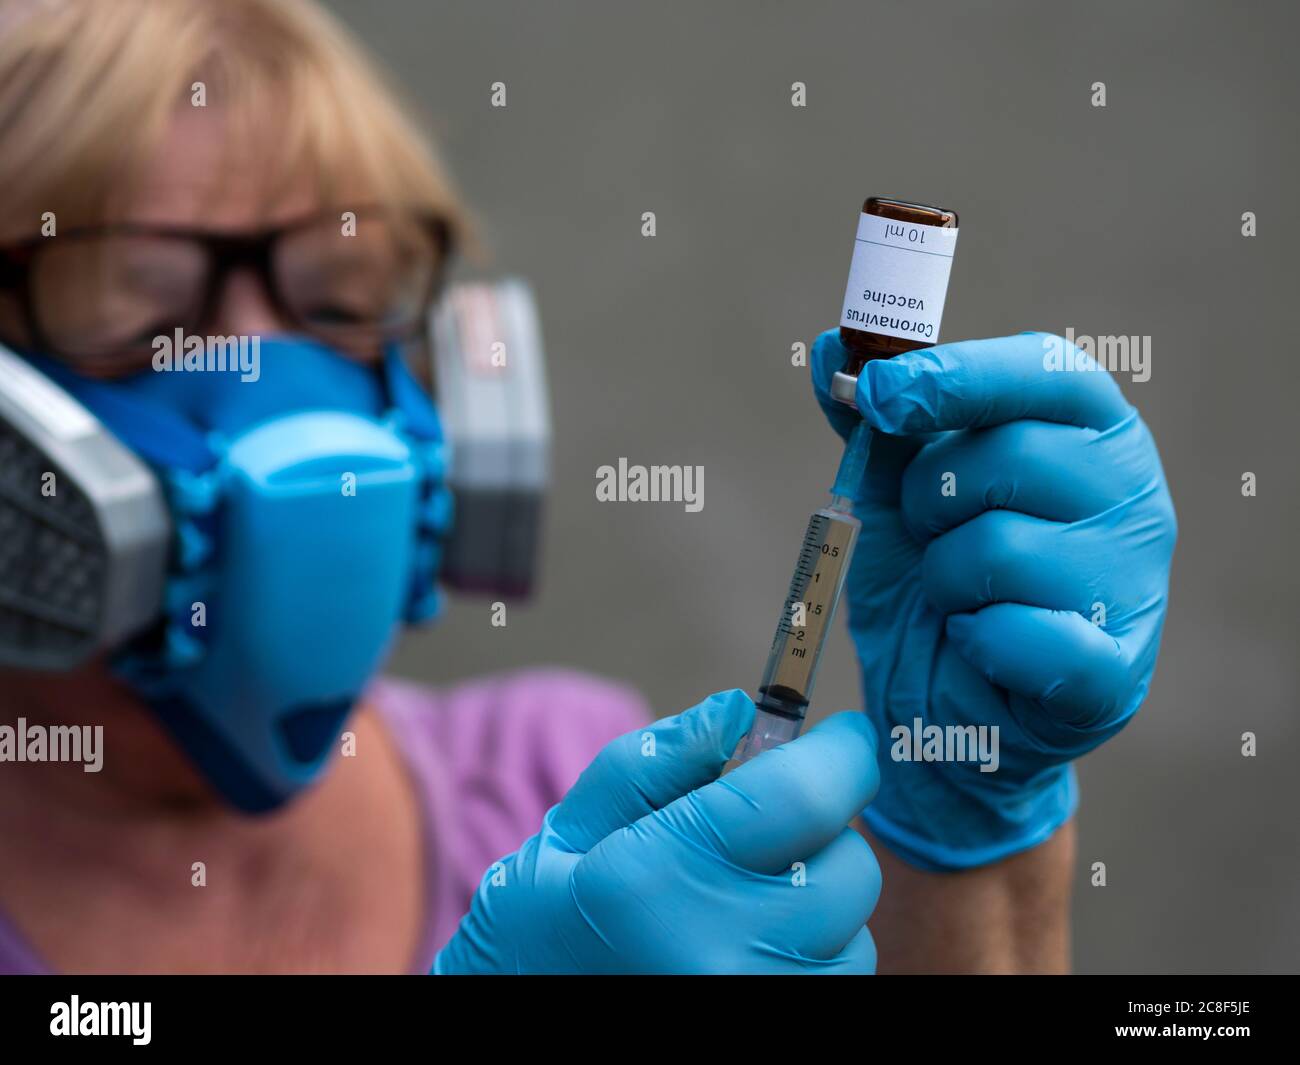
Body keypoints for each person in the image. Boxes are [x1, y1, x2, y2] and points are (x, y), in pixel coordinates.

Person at [0, 0, 1176, 975]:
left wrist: (965, 834)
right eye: (139, 306)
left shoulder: (571, 783)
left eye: (343, 303)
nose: (279, 392)